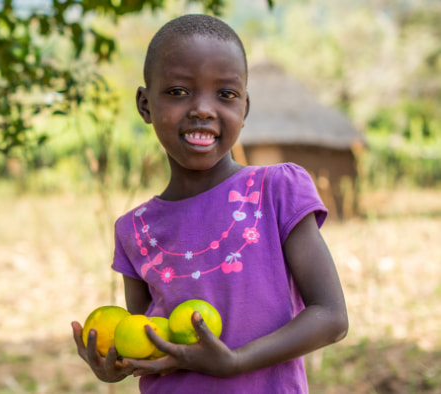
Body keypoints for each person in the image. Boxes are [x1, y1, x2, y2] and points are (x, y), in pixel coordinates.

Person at [72, 13, 348, 393]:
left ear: (244, 109)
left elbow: (331, 317)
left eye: (226, 94)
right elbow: (144, 341)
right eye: (178, 91)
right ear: (145, 104)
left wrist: (235, 363)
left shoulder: (277, 191)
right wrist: (117, 363)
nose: (203, 108)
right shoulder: (135, 230)